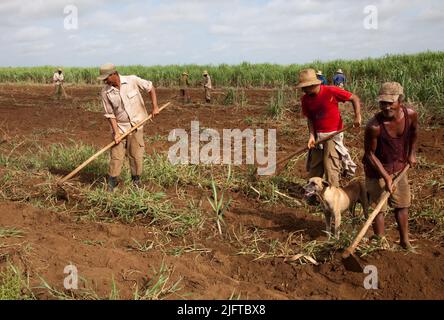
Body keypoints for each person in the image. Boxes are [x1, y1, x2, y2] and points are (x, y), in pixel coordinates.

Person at [363, 82, 418, 250]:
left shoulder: (411, 115)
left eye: (390, 102)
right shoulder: (374, 126)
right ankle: (380, 241)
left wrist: (411, 153)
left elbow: (414, 133)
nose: (386, 107)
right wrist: (386, 177)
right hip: (376, 169)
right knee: (378, 207)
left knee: (402, 204)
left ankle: (404, 241)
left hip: (399, 166)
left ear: (400, 100)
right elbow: (369, 154)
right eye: (382, 103)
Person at [97, 63, 160, 191]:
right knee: (116, 156)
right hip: (120, 128)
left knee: (136, 155)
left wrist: (155, 106)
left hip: (136, 125)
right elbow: (110, 114)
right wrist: (116, 133)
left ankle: (136, 183)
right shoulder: (105, 92)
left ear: (113, 74)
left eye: (106, 78)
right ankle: (112, 184)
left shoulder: (132, 80)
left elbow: (150, 88)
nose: (105, 81)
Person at [297, 68, 361, 187]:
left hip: (333, 134)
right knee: (315, 167)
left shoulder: (331, 91)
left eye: (305, 87)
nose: (303, 90)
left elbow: (354, 98)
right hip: (317, 136)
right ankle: (313, 195)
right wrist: (311, 135)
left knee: (331, 166)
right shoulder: (305, 99)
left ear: (314, 84)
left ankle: (333, 198)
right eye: (303, 87)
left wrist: (357, 116)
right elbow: (310, 118)